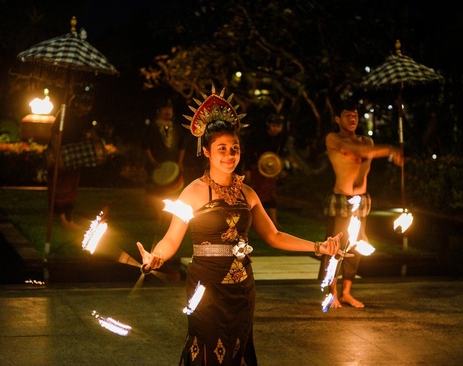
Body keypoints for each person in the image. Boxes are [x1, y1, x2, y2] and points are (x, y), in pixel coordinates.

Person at [136, 89, 344, 365]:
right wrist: (156, 256)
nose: (230, 154)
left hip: (243, 287)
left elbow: (274, 235)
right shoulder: (193, 193)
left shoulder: (248, 193)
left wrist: (320, 247)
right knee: (208, 349)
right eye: (221, 148)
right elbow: (171, 239)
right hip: (205, 287)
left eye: (234, 148)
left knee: (239, 349)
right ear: (207, 151)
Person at [318, 97, 403, 309]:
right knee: (335, 248)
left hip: (361, 200)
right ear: (338, 119)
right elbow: (359, 153)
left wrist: (362, 175)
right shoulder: (333, 139)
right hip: (341, 200)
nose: (352, 118)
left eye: (355, 115)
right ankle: (332, 294)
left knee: (355, 247)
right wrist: (391, 150)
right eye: (347, 115)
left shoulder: (367, 141)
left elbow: (365, 160)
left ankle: (346, 292)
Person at [47, 87, 97, 231]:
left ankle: (69, 218)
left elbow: (90, 132)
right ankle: (61, 217)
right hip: (61, 152)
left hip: (74, 155)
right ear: (76, 104)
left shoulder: (84, 118)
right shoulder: (64, 114)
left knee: (71, 185)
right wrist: (58, 158)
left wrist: (98, 144)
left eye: (90, 106)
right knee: (59, 185)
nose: (88, 109)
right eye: (85, 105)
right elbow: (55, 135)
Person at [140, 98, 186, 221]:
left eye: (170, 109)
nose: (168, 111)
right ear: (158, 111)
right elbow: (146, 146)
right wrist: (152, 161)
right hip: (157, 166)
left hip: (173, 167)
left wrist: (180, 163)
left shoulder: (176, 128)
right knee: (157, 193)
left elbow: (182, 146)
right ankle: (158, 215)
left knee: (173, 192)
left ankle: (170, 215)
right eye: (165, 109)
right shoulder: (152, 127)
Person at [243, 113, 287, 229]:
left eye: (278, 126)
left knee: (271, 194)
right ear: (268, 125)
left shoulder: (281, 138)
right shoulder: (258, 135)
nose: (276, 128)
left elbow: (280, 155)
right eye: (274, 125)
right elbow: (248, 152)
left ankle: (273, 221)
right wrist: (247, 169)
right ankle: (250, 221)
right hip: (255, 168)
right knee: (255, 194)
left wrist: (279, 169)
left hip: (270, 169)